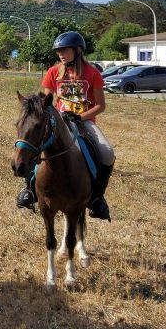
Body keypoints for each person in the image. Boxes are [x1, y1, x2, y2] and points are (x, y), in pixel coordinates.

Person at [16, 31, 116, 221]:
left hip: (84, 121)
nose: (60, 54)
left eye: (65, 50)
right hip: (59, 121)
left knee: (108, 153)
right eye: (58, 51)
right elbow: (45, 103)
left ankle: (97, 199)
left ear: (78, 50)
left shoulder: (92, 73)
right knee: (34, 145)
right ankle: (29, 190)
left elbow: (100, 106)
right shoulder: (54, 72)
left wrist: (80, 116)